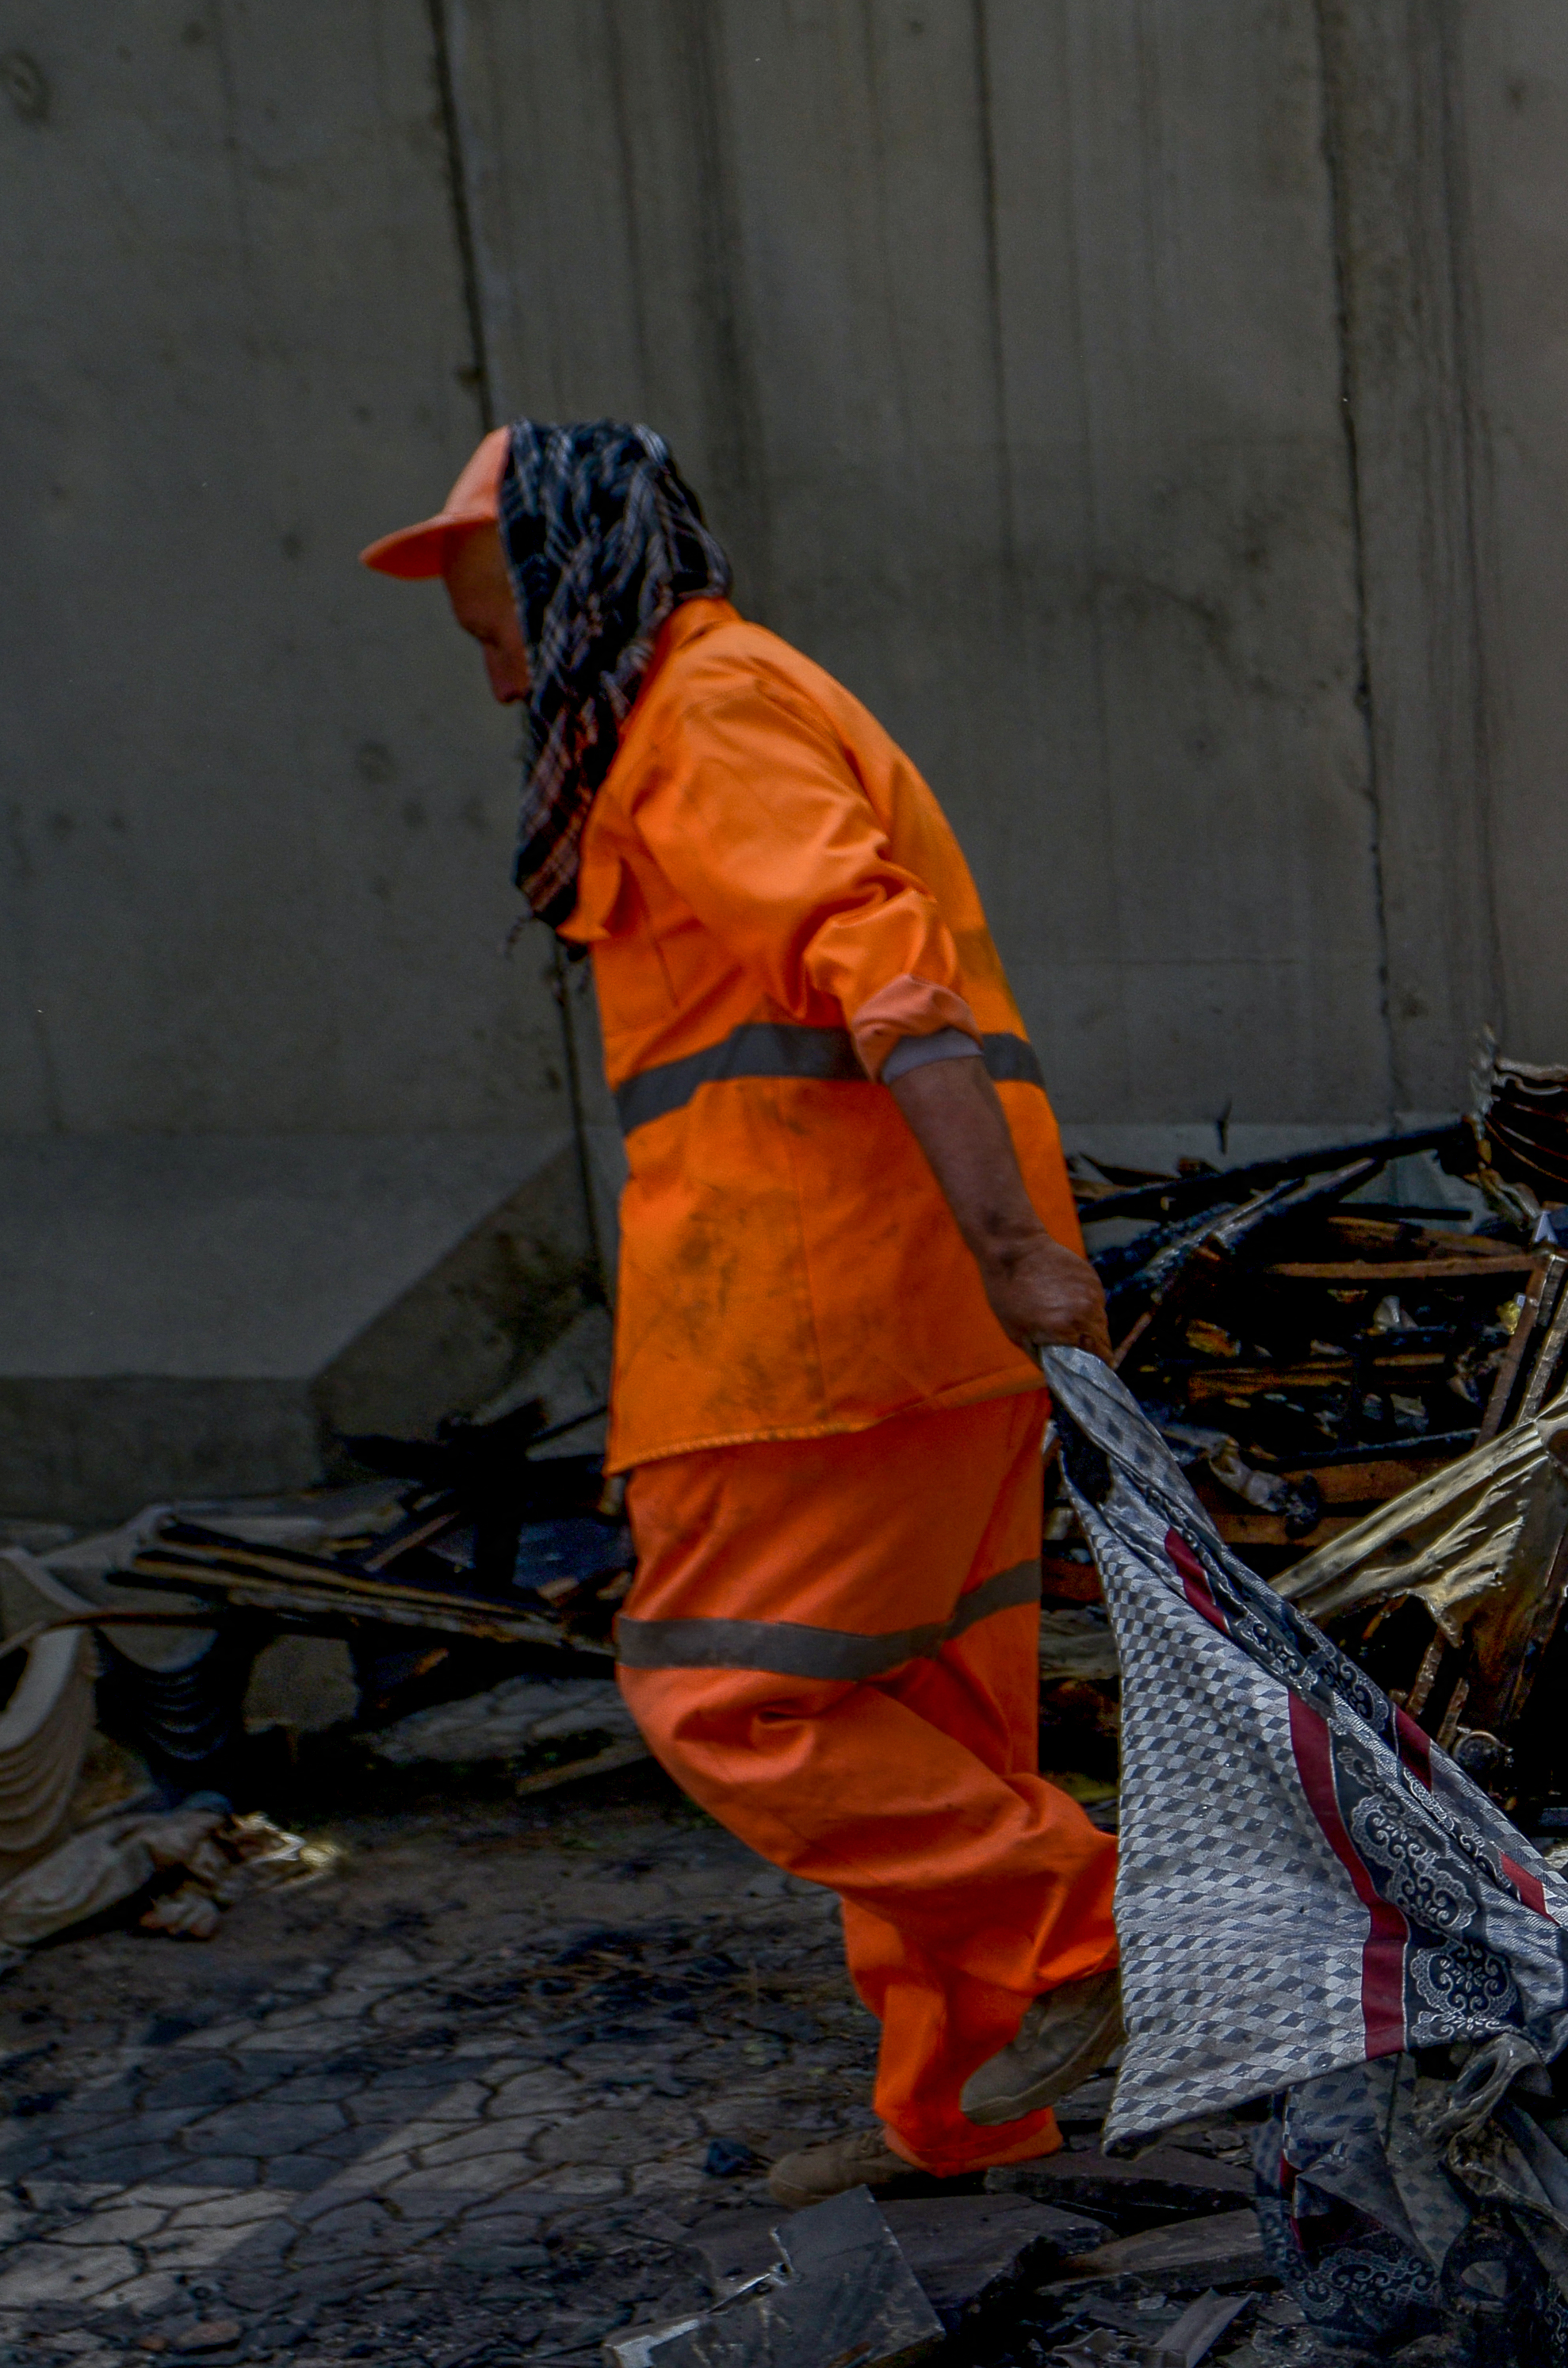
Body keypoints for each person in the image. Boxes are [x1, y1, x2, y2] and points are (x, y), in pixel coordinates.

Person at [363, 424, 1124, 2203]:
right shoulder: (727, 703)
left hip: (814, 1334)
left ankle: (1100, 1933)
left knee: (726, 1693)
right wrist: (1011, 1268)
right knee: (923, 1734)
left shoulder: (702, 710)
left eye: (496, 624)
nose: (490, 670)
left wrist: (1021, 1259)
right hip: (900, 1324)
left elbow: (888, 982)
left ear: (571, 578)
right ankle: (964, 2117)